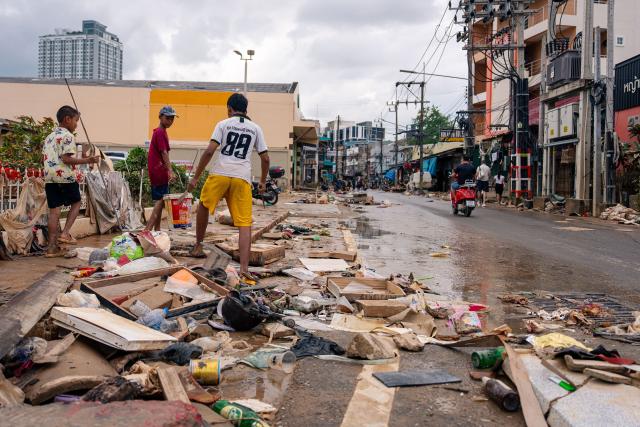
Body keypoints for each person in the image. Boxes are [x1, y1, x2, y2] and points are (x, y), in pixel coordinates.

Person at [187, 93, 270, 283]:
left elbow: (209, 151)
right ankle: (244, 269)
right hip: (242, 177)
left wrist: (196, 177)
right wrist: (263, 181)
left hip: (220, 173)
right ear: (246, 110)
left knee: (204, 207)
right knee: (244, 223)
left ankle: (198, 246)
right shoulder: (256, 129)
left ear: (229, 109)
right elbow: (265, 158)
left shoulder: (223, 124)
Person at [43, 106, 99, 257]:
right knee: (77, 202)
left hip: (49, 177)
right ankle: (65, 233)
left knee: (54, 212)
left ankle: (51, 248)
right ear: (67, 119)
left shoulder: (49, 137)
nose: (76, 124)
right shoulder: (68, 136)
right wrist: (89, 159)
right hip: (65, 176)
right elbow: (66, 159)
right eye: (76, 120)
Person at [145, 106, 177, 231]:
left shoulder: (162, 132)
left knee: (160, 200)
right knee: (161, 200)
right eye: (167, 118)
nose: (170, 121)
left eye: (172, 119)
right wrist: (170, 170)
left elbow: (164, 153)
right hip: (158, 170)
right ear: (160, 117)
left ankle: (157, 230)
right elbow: (164, 153)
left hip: (157, 169)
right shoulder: (159, 132)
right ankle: (147, 229)